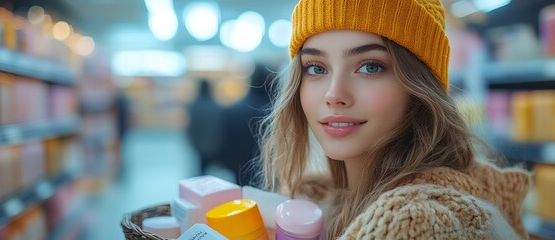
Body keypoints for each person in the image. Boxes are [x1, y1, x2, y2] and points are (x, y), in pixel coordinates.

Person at [258, 0, 531, 239]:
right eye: (316, 68)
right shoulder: (321, 199)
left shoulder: (413, 221)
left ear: (420, 87)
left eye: (370, 66)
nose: (334, 95)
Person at [219, 63, 274, 186]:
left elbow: (226, 139)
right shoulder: (273, 111)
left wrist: (225, 161)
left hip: (238, 163)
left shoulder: (233, 109)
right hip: (266, 166)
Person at [187, 79, 223, 176]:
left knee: (202, 166)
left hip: (199, 142)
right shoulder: (214, 105)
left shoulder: (194, 105)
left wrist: (192, 140)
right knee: (213, 168)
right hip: (213, 141)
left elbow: (191, 125)